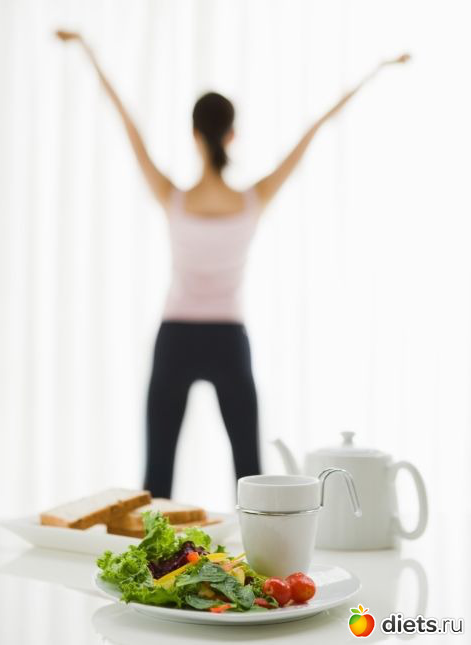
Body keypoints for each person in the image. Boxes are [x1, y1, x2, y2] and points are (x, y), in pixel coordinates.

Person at [56, 30, 409, 497]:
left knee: (156, 479)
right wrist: (375, 70)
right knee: (251, 477)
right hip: (227, 341)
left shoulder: (172, 197)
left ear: (194, 134)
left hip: (176, 338)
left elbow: (128, 124)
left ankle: (154, 548)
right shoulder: (253, 199)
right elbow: (315, 128)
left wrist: (89, 50)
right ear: (232, 134)